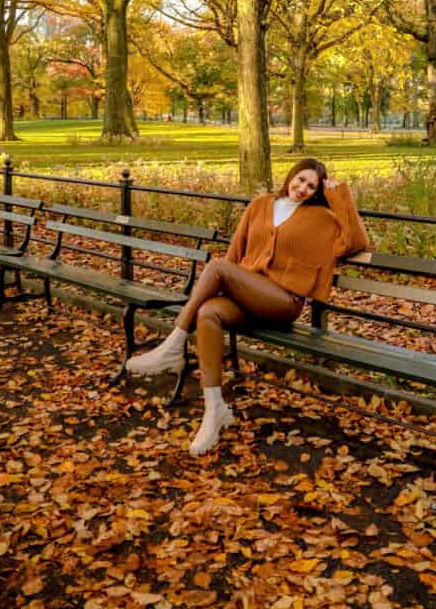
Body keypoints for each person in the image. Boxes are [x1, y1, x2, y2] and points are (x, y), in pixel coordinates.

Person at [126, 158, 368, 456]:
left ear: (318, 191)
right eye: (300, 179)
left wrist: (339, 194)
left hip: (283, 302)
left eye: (312, 186)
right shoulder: (260, 204)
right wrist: (225, 285)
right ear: (290, 175)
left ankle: (172, 345)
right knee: (208, 313)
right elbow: (234, 253)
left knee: (216, 268)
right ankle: (215, 411)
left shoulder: (321, 217)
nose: (303, 188)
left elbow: (356, 242)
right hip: (247, 297)